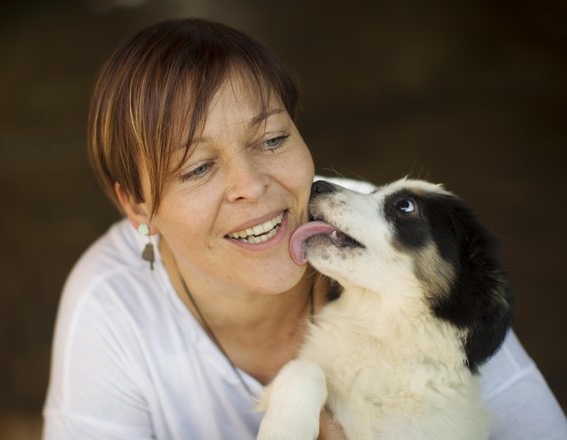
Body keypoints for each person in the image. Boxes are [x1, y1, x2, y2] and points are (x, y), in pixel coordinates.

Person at [42, 18, 566, 439]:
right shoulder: (109, 308)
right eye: (198, 168)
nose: (252, 185)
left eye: (271, 139)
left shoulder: (390, 242)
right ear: (136, 205)